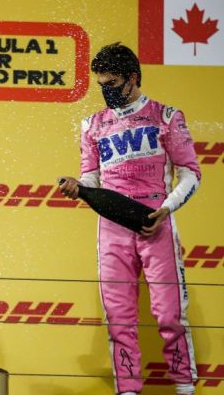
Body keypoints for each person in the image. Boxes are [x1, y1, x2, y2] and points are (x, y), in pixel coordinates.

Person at [59, 43, 200, 395]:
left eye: (112, 83)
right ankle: (128, 390)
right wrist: (79, 187)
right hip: (113, 228)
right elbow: (91, 177)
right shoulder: (92, 124)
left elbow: (191, 173)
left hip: (156, 222)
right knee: (119, 319)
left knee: (170, 315)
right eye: (101, 84)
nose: (105, 91)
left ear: (132, 78)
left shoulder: (167, 116)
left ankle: (184, 387)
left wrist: (166, 207)